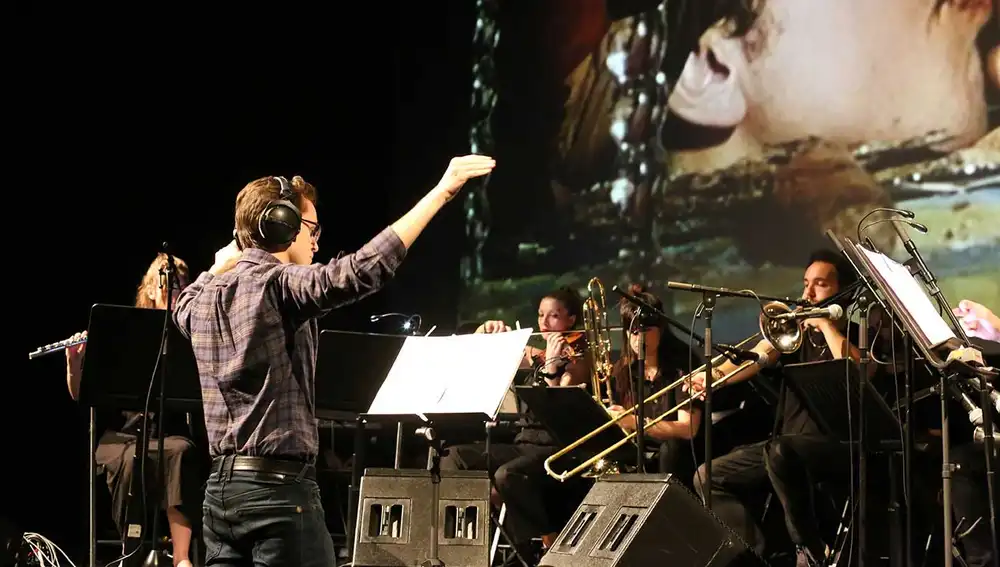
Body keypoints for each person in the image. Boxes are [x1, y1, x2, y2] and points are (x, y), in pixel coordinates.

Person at [172, 155, 494, 567]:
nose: (316, 241)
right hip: (279, 495)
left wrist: (217, 267)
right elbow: (363, 270)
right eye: (311, 228)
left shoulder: (202, 301)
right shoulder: (280, 285)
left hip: (220, 496)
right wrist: (440, 193)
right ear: (281, 225)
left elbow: (182, 303)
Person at [684, 249, 863, 565]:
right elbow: (755, 356)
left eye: (819, 285)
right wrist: (711, 377)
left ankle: (809, 550)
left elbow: (853, 369)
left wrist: (824, 324)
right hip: (782, 447)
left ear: (841, 293)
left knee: (780, 452)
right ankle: (755, 556)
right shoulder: (792, 335)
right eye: (805, 283)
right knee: (706, 476)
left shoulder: (856, 334)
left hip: (834, 446)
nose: (806, 294)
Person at [66, 253, 201, 567]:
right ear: (152, 290)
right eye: (167, 286)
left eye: (181, 287)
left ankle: (182, 559)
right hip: (125, 437)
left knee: (181, 453)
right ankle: (132, 552)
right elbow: (80, 396)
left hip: (170, 433)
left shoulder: (189, 333)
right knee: (131, 461)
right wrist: (74, 362)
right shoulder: (125, 331)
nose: (174, 293)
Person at [439, 286, 590, 564]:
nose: (544, 323)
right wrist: (485, 332)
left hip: (556, 448)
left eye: (554, 316)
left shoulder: (579, 360)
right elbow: (479, 353)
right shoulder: (536, 354)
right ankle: (460, 541)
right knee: (453, 456)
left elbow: (555, 402)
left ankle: (542, 543)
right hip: (524, 444)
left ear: (571, 320)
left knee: (508, 476)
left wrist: (554, 368)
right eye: (541, 315)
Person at [606, 284, 705, 482]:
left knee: (671, 448)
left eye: (646, 330)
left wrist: (636, 422)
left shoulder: (683, 364)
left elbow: (688, 429)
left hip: (679, 456)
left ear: (660, 329)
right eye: (633, 331)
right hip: (641, 452)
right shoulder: (622, 369)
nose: (639, 338)